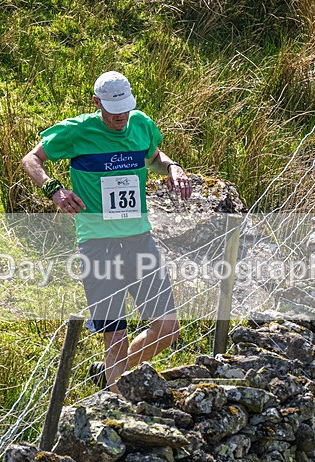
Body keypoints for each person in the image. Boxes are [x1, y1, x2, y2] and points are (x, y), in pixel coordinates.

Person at [21, 70, 191, 393]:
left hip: (139, 240)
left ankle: (114, 372)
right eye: (114, 112)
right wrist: (54, 189)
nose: (121, 117)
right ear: (97, 103)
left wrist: (171, 167)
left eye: (125, 109)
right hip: (98, 245)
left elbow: (153, 157)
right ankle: (120, 408)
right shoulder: (77, 131)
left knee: (168, 328)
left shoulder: (140, 124)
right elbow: (31, 159)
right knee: (115, 335)